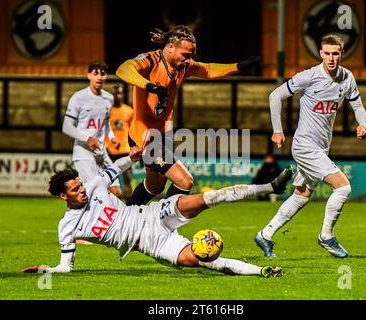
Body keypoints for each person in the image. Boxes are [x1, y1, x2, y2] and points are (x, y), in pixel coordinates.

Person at [22, 146, 294, 277]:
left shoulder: (94, 185)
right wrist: (44, 270)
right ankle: (263, 271)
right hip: (150, 243)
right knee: (198, 260)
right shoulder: (66, 228)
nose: (81, 191)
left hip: (152, 214)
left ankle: (271, 186)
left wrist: (135, 156)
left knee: (212, 197)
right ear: (62, 196)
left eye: (79, 185)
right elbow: (65, 267)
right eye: (74, 190)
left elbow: (116, 167)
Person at [116, 25, 261, 206]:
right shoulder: (151, 61)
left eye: (190, 55)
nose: (188, 60)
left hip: (162, 135)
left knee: (154, 187)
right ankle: (164, 225)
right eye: (185, 54)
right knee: (185, 181)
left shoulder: (183, 67)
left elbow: (207, 69)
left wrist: (239, 66)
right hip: (144, 136)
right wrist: (149, 86)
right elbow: (123, 69)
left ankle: (125, 220)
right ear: (170, 48)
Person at [254, 35, 366, 259]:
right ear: (321, 53)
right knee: (343, 187)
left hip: (322, 146)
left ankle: (265, 235)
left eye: (335, 53)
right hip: (305, 145)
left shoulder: (347, 78)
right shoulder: (308, 77)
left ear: (341, 54)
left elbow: (358, 105)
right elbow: (275, 95)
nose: (331, 58)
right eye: (327, 53)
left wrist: (362, 123)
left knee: (301, 195)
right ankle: (326, 236)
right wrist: (277, 129)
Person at [62, 61, 122, 198]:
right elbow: (67, 126)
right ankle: (82, 219)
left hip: (102, 152)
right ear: (89, 75)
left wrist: (111, 137)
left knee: (116, 192)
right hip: (84, 154)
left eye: (103, 74)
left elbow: (106, 124)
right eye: (95, 74)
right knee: (96, 195)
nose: (99, 77)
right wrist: (87, 138)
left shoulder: (109, 98)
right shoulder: (79, 97)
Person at [105, 85, 134, 202]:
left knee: (127, 178)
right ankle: (111, 204)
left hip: (125, 149)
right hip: (110, 150)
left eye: (120, 93)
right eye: (115, 93)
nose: (118, 96)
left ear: (122, 95)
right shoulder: (108, 111)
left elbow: (133, 130)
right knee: (109, 179)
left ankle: (129, 204)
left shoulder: (128, 110)